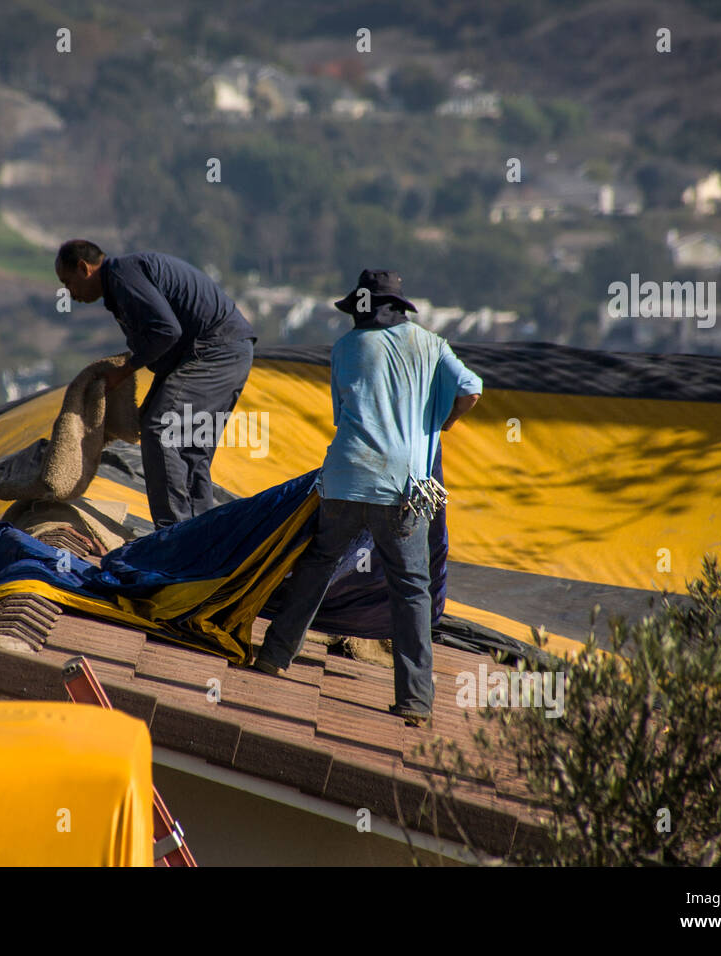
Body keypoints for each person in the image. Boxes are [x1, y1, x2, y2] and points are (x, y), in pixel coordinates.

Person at [253, 269, 482, 727]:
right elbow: (472, 389)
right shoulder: (431, 345)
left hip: (343, 478)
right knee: (411, 588)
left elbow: (344, 416)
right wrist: (441, 425)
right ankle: (415, 700)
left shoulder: (345, 348)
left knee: (318, 564)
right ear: (399, 309)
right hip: (401, 489)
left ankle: (275, 657)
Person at [55, 240, 256, 529]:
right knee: (191, 446)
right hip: (231, 350)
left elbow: (166, 332)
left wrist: (123, 372)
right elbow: (166, 343)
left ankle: (173, 534)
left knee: (161, 426)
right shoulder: (122, 282)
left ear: (84, 268)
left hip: (214, 350)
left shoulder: (123, 275)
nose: (69, 294)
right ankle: (201, 533)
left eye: (67, 282)